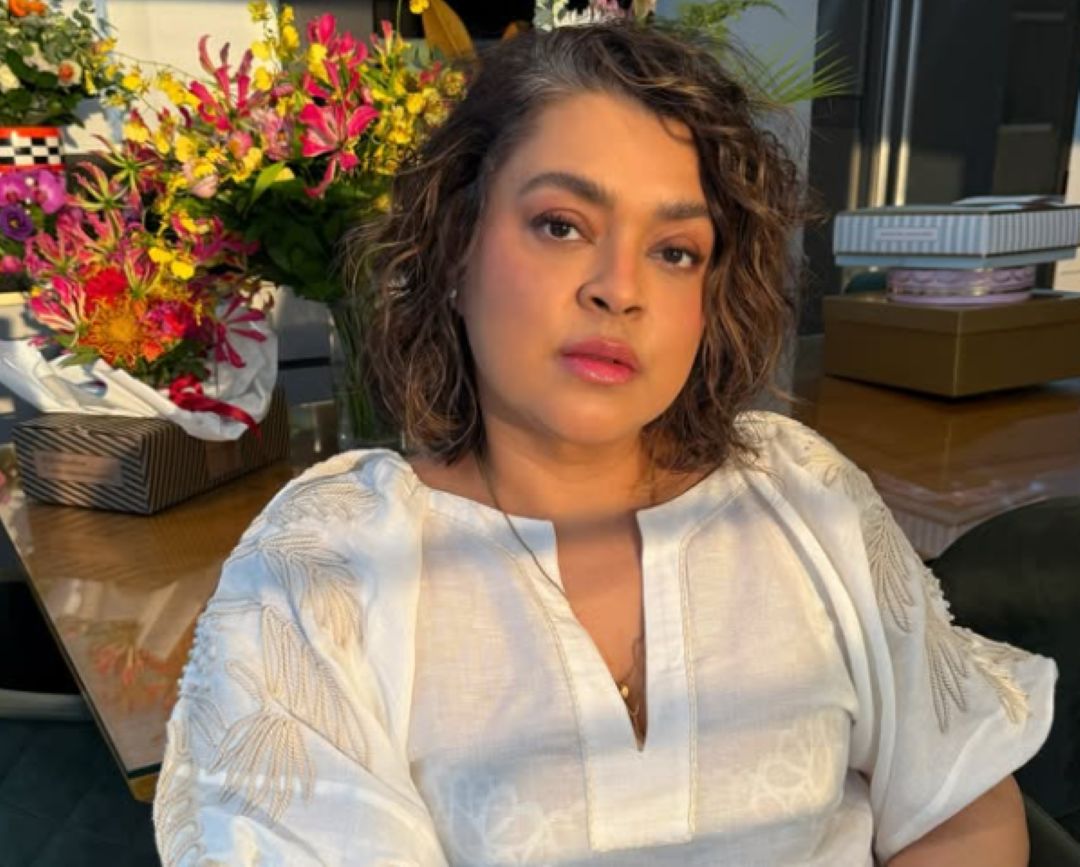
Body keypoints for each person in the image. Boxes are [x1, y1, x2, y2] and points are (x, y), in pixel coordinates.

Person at [153, 22, 1055, 867]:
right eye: (561, 225)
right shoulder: (327, 563)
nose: (620, 289)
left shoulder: (801, 490)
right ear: (457, 247)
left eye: (675, 250)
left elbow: (959, 802)